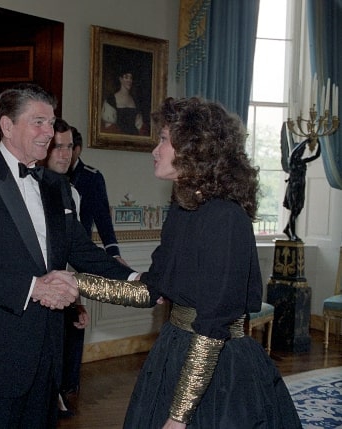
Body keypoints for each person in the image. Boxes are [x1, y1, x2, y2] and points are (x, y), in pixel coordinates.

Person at [71, 97, 301, 428]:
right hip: (175, 351)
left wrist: (178, 417)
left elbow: (211, 328)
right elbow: (150, 290)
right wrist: (75, 283)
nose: (155, 149)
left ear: (193, 147)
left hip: (219, 365)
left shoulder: (225, 218)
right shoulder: (181, 211)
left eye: (163, 139)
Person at [0, 83, 137, 428]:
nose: (49, 132)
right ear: (6, 126)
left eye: (51, 122)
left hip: (48, 353)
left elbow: (80, 249)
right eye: (39, 122)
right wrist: (33, 288)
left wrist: (137, 280)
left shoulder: (56, 184)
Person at [42, 118, 90, 418]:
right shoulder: (30, 187)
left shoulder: (72, 193)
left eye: (69, 147)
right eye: (57, 147)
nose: (64, 154)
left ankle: (59, 398)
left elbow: (76, 252)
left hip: (66, 293)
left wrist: (77, 301)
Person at [68, 126, 127, 265]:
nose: (63, 154)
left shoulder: (91, 177)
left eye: (68, 147)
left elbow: (103, 218)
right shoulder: (46, 174)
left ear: (77, 149)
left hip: (80, 253)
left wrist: (114, 254)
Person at [101, 70, 145, 135]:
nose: (129, 80)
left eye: (131, 78)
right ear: (120, 79)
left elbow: (139, 126)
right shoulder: (111, 100)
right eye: (126, 77)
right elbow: (109, 128)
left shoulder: (135, 101)